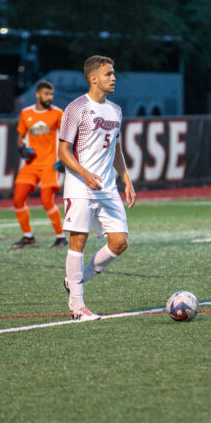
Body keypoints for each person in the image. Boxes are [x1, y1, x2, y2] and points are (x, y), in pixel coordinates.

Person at [58, 55, 136, 321]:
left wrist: (126, 178)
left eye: (113, 73)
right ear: (93, 78)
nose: (113, 78)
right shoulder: (76, 108)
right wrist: (84, 173)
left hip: (107, 188)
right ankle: (77, 307)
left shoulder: (115, 110)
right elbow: (63, 152)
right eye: (108, 74)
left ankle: (75, 281)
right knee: (78, 241)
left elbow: (116, 148)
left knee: (120, 242)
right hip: (80, 186)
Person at [11, 80, 68, 249]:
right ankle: (28, 236)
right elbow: (19, 137)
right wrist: (21, 149)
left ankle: (61, 237)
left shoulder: (57, 113)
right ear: (37, 94)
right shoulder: (25, 113)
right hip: (31, 163)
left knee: (46, 200)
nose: (49, 97)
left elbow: (67, 137)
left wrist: (65, 158)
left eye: (51, 94)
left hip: (50, 163)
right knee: (18, 199)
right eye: (46, 94)